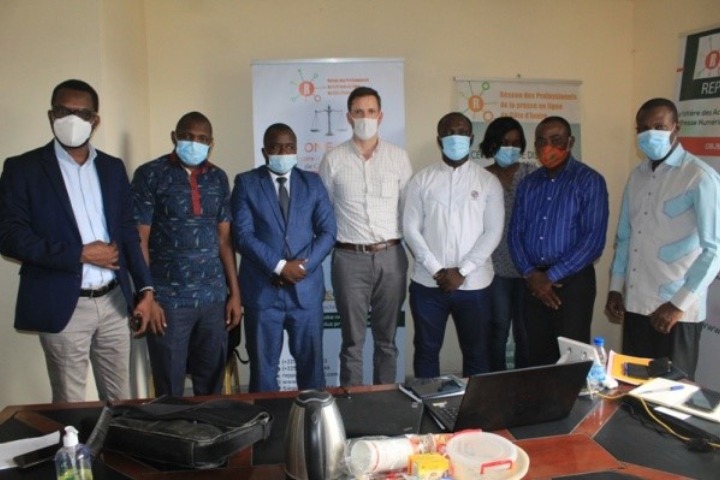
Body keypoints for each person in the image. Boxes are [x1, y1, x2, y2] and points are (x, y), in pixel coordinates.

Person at [0, 79, 159, 403]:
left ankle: (114, 439)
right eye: (63, 111)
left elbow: (128, 232)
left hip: (114, 301)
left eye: (82, 113)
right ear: (51, 115)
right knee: (70, 405)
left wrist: (146, 290)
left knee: (120, 401)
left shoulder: (112, 168)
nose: (72, 120)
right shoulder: (23, 169)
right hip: (64, 303)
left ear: (95, 121)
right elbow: (10, 237)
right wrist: (79, 254)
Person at [605, 98, 720, 380]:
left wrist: (678, 305)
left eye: (659, 126)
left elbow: (714, 250)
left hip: (674, 314)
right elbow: (625, 237)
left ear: (676, 128)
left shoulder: (699, 177)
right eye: (643, 128)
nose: (650, 134)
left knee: (671, 395)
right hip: (636, 305)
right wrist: (616, 288)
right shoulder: (637, 176)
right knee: (632, 389)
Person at [131, 112, 242, 397]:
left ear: (211, 143)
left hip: (213, 300)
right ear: (174, 137)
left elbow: (224, 240)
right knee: (169, 388)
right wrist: (149, 296)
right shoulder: (150, 174)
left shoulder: (218, 178)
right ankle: (173, 427)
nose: (195, 143)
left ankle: (208, 426)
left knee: (211, 387)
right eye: (188, 137)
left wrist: (235, 293)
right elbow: (139, 238)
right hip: (168, 302)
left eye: (202, 139)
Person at [319, 86, 413, 386]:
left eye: (371, 111)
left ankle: (384, 400)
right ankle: (353, 404)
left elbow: (408, 210)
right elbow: (324, 212)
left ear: (380, 116)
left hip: (391, 257)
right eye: (358, 112)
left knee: (387, 341)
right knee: (352, 343)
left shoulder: (399, 158)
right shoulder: (333, 159)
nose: (365, 117)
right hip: (349, 259)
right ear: (349, 117)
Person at [232, 123, 336, 392]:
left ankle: (312, 416)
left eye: (289, 147)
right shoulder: (246, 183)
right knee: (263, 371)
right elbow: (242, 236)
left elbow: (328, 232)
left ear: (296, 149)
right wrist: (279, 266)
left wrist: (301, 268)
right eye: (276, 147)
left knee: (312, 369)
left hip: (306, 293)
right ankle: (267, 418)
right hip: (263, 293)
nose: (283, 152)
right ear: (264, 151)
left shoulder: (312, 183)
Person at [403, 112, 504, 378]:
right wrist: (437, 270)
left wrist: (462, 271)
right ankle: (428, 402)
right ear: (439, 140)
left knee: (477, 353)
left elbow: (493, 232)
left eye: (461, 132)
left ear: (471, 137)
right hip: (428, 283)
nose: (455, 137)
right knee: (426, 350)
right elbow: (411, 229)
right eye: (449, 132)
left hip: (474, 284)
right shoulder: (421, 179)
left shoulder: (487, 181)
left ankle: (473, 405)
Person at [508, 116, 609, 366]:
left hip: (572, 283)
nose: (548, 147)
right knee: (536, 357)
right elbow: (515, 234)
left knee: (571, 359)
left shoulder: (589, 180)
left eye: (556, 140)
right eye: (541, 141)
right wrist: (531, 275)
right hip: (533, 282)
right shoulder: (528, 184)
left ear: (570, 142)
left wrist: (550, 277)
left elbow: (593, 241)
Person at [481, 116, 536, 370]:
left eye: (515, 143)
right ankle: (496, 381)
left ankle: (525, 382)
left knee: (525, 330)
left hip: (529, 269)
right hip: (495, 268)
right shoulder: (481, 177)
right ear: (492, 144)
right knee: (498, 327)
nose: (510, 148)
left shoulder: (532, 174)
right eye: (505, 142)